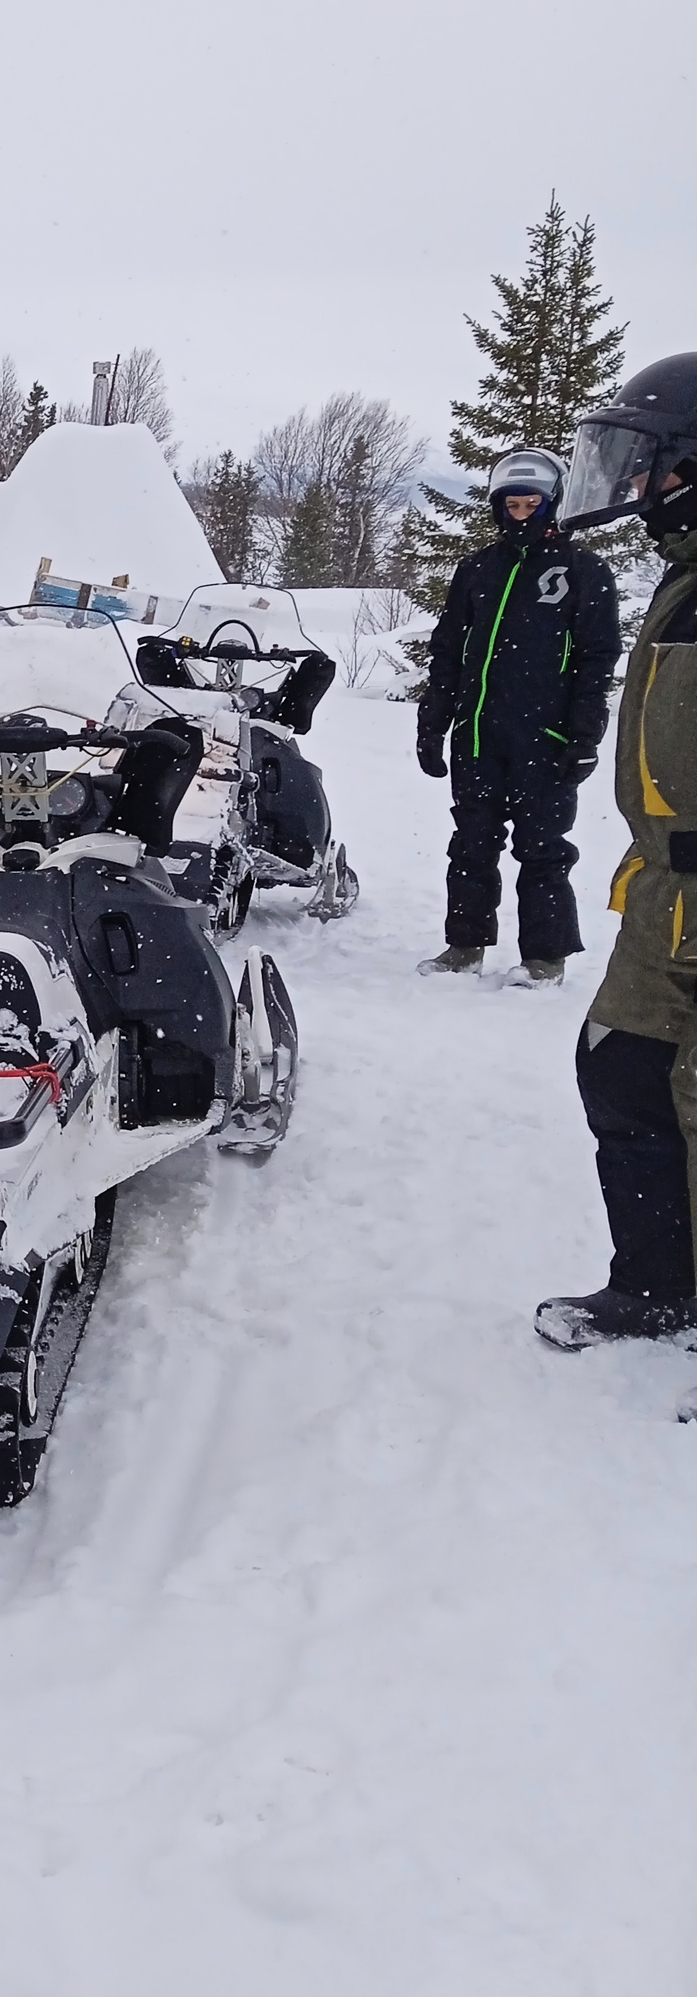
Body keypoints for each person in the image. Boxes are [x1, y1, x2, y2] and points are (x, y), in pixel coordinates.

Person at [533, 355, 697, 1347]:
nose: (633, 488)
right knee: (623, 1072)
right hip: (665, 891)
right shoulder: (682, 583)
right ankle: (654, 1283)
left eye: (648, 465)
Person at [414, 446, 619, 985]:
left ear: (552, 505)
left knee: (543, 850)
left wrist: (584, 734)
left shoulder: (584, 572)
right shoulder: (478, 568)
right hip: (479, 734)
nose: (521, 515)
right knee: (471, 843)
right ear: (497, 508)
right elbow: (448, 649)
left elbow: (598, 659)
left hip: (545, 738)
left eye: (531, 504)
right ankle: (464, 946)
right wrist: (433, 723)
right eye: (512, 506)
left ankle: (544, 959)